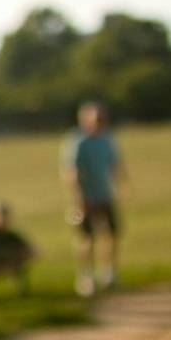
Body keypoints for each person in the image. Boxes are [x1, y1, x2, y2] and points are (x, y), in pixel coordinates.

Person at [62, 101, 127, 298]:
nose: (100, 123)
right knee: (86, 238)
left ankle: (109, 274)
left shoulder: (107, 139)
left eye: (102, 119)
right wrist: (79, 199)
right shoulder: (78, 142)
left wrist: (119, 189)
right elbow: (71, 172)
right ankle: (86, 277)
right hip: (86, 199)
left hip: (105, 196)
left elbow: (114, 165)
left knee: (113, 234)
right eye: (97, 119)